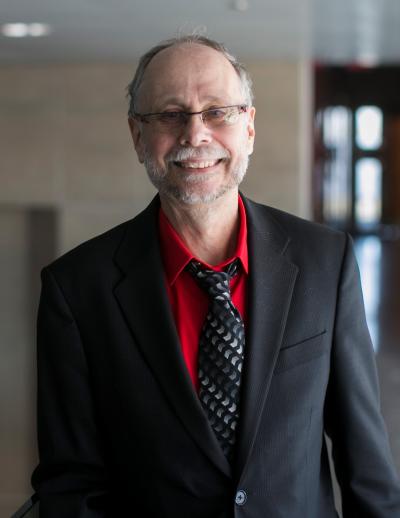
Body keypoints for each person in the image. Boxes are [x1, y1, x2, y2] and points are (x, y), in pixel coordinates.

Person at [31, 34, 400, 517]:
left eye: (217, 112)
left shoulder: (324, 262)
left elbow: (366, 465)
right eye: (170, 114)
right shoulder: (77, 289)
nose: (195, 134)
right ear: (137, 135)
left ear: (249, 127)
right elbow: (71, 487)